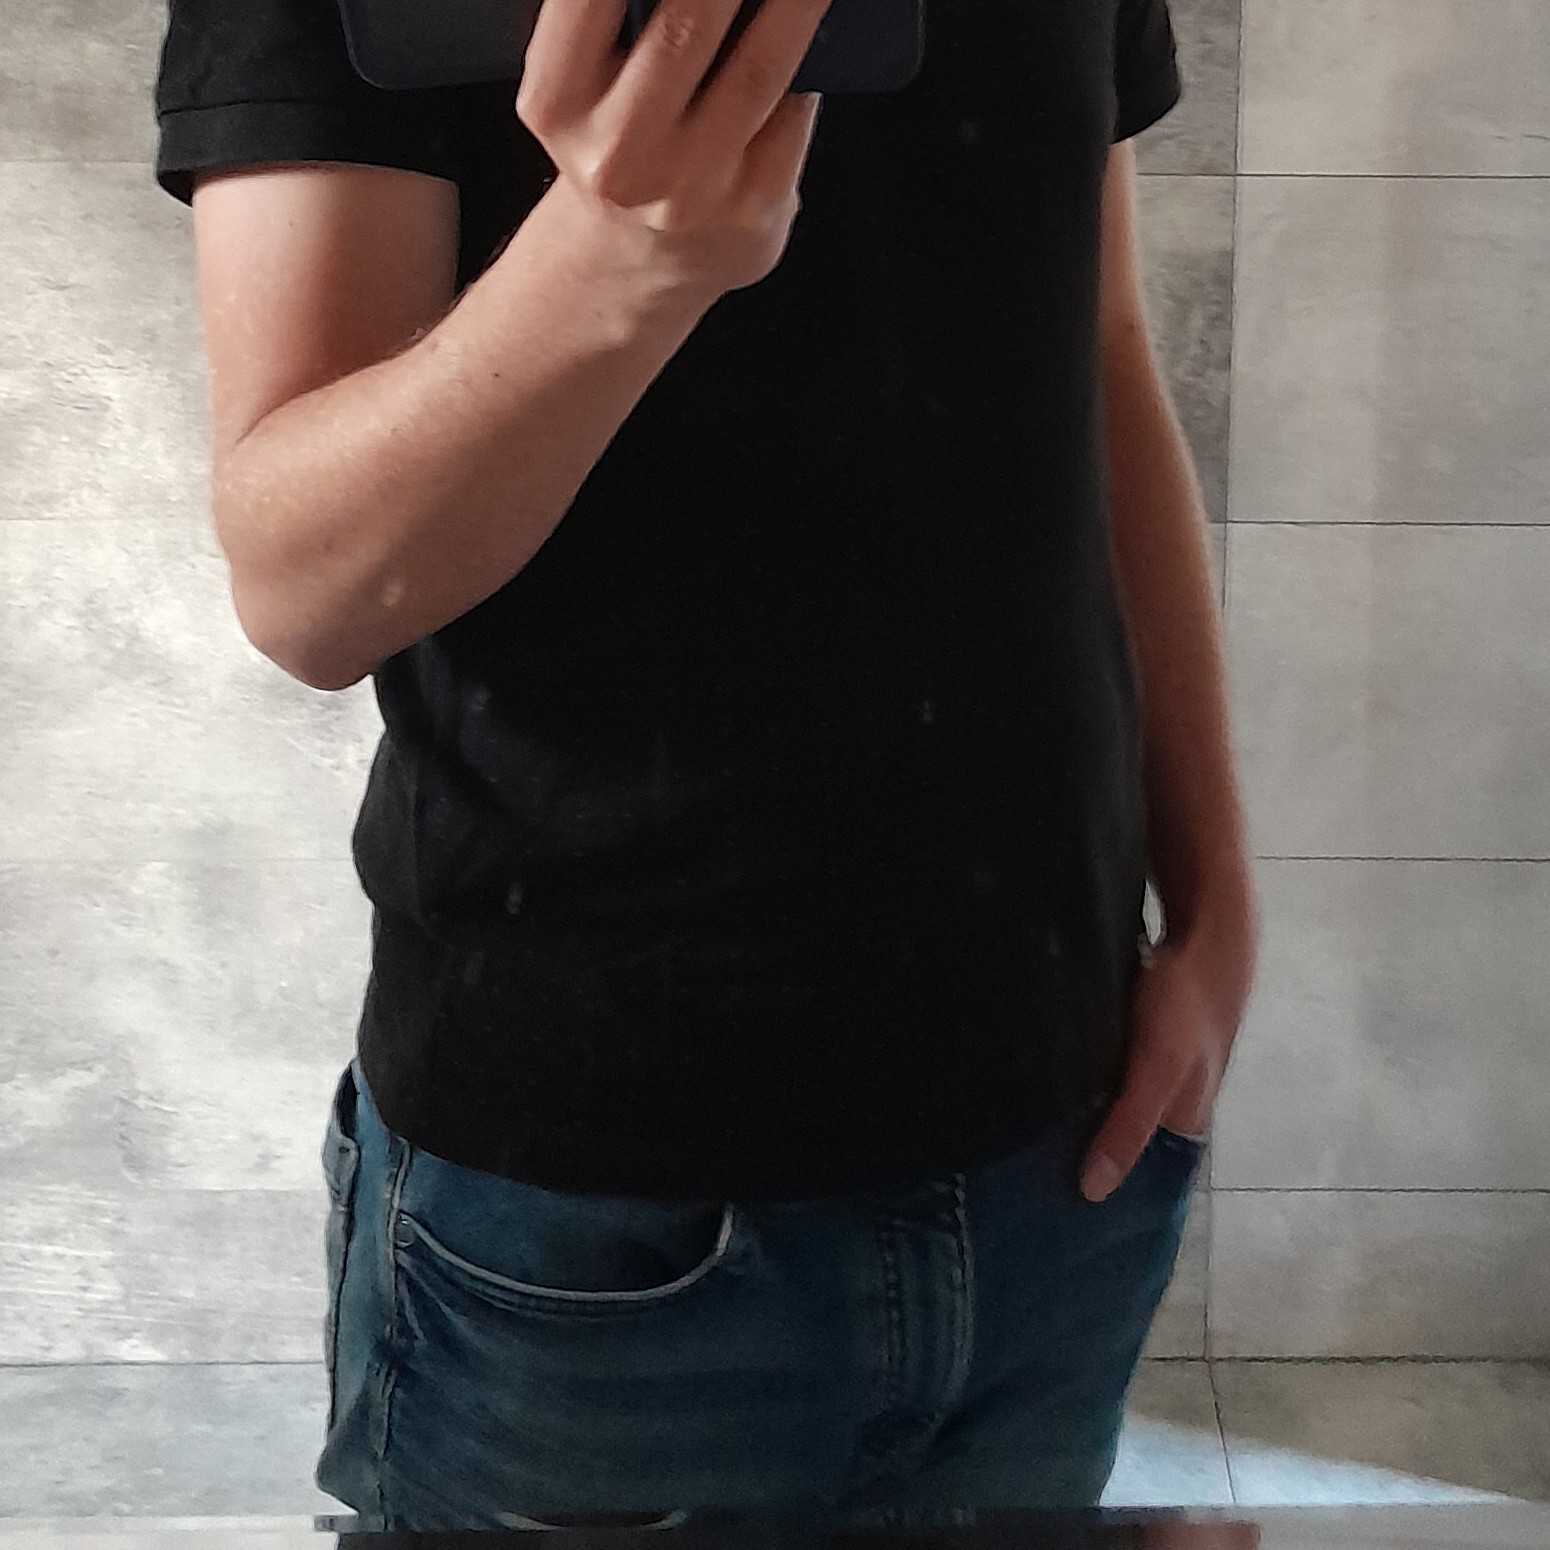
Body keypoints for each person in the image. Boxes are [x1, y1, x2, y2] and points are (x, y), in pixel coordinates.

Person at [153, 0, 1252, 1531]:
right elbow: (306, 594)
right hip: (594, 1211)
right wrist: (613, 261)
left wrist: (1214, 900)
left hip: (1059, 1154)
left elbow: (1099, 337)